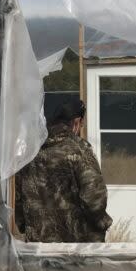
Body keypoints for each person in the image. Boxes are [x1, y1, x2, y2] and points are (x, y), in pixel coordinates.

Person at [15, 99, 113, 243]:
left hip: (38, 245)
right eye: (81, 125)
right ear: (76, 122)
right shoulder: (79, 149)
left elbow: (19, 197)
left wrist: (24, 225)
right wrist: (101, 223)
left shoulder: (30, 152)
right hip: (77, 246)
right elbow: (93, 197)